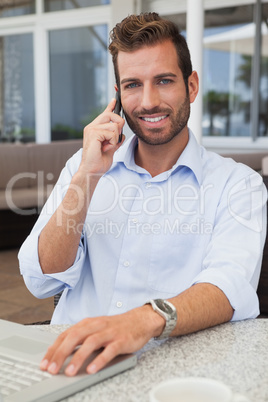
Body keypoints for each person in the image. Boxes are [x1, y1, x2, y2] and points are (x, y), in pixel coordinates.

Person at [18, 12, 267, 377]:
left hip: (171, 371)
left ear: (192, 86)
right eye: (133, 85)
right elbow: (41, 280)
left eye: (164, 80)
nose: (148, 101)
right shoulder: (83, 167)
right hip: (69, 362)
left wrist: (140, 322)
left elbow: (229, 288)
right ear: (118, 97)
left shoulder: (238, 184)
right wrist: (88, 177)